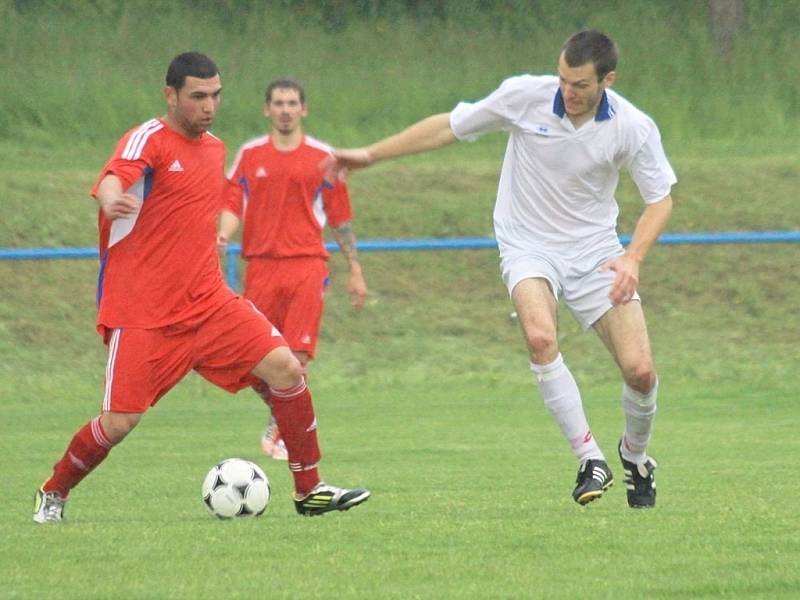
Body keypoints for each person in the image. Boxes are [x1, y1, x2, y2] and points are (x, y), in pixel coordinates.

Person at [329, 30, 675, 508]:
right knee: (539, 337)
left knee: (640, 371)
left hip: (596, 250)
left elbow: (660, 199)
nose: (567, 93)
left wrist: (632, 256)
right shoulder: (525, 96)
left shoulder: (632, 126)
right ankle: (589, 457)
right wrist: (369, 155)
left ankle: (635, 457)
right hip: (527, 244)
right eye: (562, 80)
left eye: (579, 85)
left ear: (607, 81)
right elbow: (448, 126)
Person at [32, 52, 369, 523]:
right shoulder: (147, 139)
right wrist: (112, 201)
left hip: (210, 304)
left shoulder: (214, 148)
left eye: (215, 95)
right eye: (197, 96)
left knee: (288, 370)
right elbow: (114, 178)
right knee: (119, 423)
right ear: (171, 95)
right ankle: (54, 492)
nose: (208, 106)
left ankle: (309, 489)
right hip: (144, 314)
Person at [217, 79, 367, 461]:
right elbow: (234, 201)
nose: (285, 109)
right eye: (278, 103)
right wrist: (221, 237)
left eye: (292, 103)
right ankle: (280, 415)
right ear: (267, 110)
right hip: (262, 268)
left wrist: (355, 268)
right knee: (254, 358)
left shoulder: (323, 158)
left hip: (306, 266)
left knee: (296, 358)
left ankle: (287, 433)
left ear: (304, 110)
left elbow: (340, 218)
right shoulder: (250, 155)